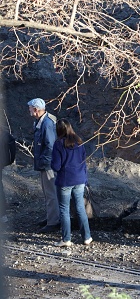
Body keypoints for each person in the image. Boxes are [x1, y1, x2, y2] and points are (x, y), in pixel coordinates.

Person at [51, 119, 92, 247]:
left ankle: (66, 239)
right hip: (79, 179)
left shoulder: (58, 144)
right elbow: (83, 163)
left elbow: (56, 166)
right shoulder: (79, 142)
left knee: (64, 210)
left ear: (58, 130)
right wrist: (85, 179)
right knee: (80, 208)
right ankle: (87, 237)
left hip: (64, 181)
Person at [28, 98, 60, 233]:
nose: (28, 111)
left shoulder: (46, 124)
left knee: (51, 193)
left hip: (48, 165)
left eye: (30, 108)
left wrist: (43, 162)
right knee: (49, 193)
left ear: (36, 110)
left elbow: (50, 146)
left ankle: (53, 222)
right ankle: (51, 218)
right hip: (46, 163)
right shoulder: (42, 121)